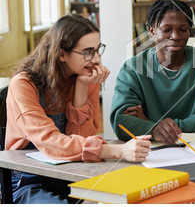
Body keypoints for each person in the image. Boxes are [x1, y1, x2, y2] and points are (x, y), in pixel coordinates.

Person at [5, 14, 151, 204]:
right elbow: (50, 142)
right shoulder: (23, 84)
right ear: (62, 54)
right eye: (88, 52)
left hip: (72, 172)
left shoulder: (85, 78)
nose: (97, 59)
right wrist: (117, 151)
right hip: (29, 181)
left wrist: (82, 88)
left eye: (98, 50)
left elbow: (83, 140)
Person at [110, 0, 195, 144]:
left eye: (183, 29)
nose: (175, 36)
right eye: (166, 30)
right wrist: (155, 129)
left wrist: (153, 126)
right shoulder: (133, 69)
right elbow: (121, 122)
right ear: (151, 31)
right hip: (149, 150)